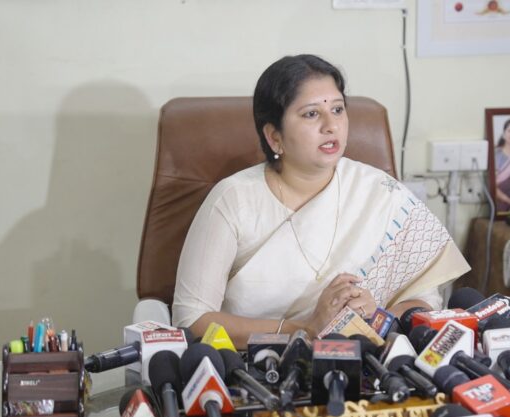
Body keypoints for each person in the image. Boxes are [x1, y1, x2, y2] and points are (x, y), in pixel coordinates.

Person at [172, 54, 470, 348]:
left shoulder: (381, 192)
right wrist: (302, 330)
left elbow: (426, 301)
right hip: (252, 364)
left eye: (338, 109)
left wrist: (377, 315)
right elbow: (191, 319)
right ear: (274, 137)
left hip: (363, 360)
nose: (331, 125)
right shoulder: (233, 199)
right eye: (311, 114)